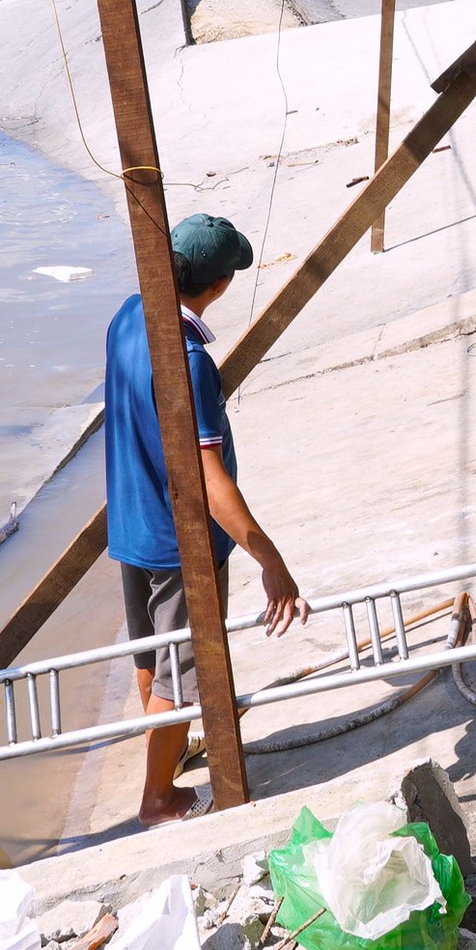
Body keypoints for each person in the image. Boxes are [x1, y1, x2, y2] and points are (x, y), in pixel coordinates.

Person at [104, 214, 308, 824]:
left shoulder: (126, 314)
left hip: (131, 523)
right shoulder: (189, 360)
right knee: (180, 669)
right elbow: (210, 481)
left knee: (153, 655)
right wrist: (272, 563)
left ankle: (165, 754)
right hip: (177, 541)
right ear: (219, 286)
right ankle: (158, 797)